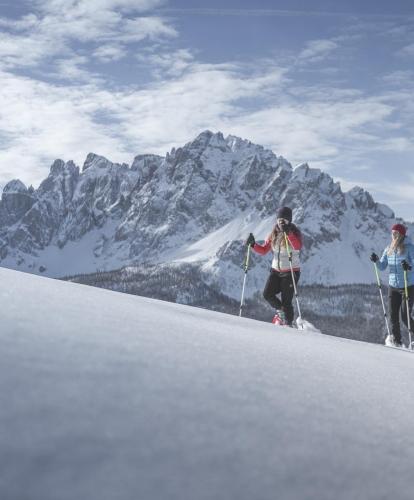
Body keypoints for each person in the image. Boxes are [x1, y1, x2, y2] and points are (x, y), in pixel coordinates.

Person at [246, 206, 302, 326]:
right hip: (276, 270)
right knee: (267, 294)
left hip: (291, 271)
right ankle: (280, 312)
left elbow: (297, 246)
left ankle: (288, 323)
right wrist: (253, 244)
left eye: (284, 220)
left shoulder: (294, 232)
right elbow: (264, 250)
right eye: (279, 219)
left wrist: (289, 234)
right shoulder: (274, 233)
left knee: (287, 301)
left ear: (289, 221)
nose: (281, 222)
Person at [370, 223, 414, 347]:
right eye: (392, 233)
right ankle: (397, 341)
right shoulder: (388, 248)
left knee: (405, 316)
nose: (393, 235)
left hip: (407, 286)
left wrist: (408, 267)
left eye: (396, 233)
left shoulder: (410, 248)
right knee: (392, 315)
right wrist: (376, 260)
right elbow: (383, 266)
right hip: (393, 287)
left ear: (401, 235)